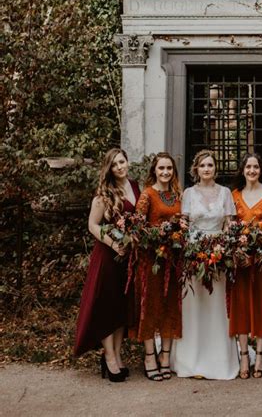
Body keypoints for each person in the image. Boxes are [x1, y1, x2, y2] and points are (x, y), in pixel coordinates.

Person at [170, 149, 239, 379]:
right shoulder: (188, 193)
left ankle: (218, 359)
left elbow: (229, 224)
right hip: (194, 255)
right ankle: (191, 360)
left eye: (210, 165)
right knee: (195, 304)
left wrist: (224, 249)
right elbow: (184, 223)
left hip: (218, 256)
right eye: (203, 166)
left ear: (215, 168)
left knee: (216, 306)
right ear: (196, 169)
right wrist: (192, 251)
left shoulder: (225, 193)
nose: (207, 169)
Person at [74, 148, 140, 382]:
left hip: (128, 258)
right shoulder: (104, 194)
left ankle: (117, 355)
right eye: (114, 165)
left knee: (122, 307)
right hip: (108, 257)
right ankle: (109, 357)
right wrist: (113, 244)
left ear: (127, 162)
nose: (120, 167)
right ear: (109, 169)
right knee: (106, 306)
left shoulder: (134, 186)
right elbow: (93, 225)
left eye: (122, 161)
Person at [128, 153, 182, 382]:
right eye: (161, 168)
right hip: (151, 261)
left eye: (169, 168)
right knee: (150, 306)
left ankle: (165, 358)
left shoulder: (177, 195)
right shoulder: (147, 194)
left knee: (171, 306)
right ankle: (149, 356)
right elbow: (137, 228)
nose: (165, 172)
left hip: (173, 259)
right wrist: (158, 234)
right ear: (154, 170)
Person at [229, 153, 262, 379]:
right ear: (242, 170)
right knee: (240, 307)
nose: (252, 170)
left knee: (261, 305)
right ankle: (243, 356)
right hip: (240, 261)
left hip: (261, 260)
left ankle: (259, 355)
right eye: (248, 167)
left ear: (261, 170)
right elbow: (231, 229)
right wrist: (238, 248)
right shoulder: (234, 195)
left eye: (256, 167)